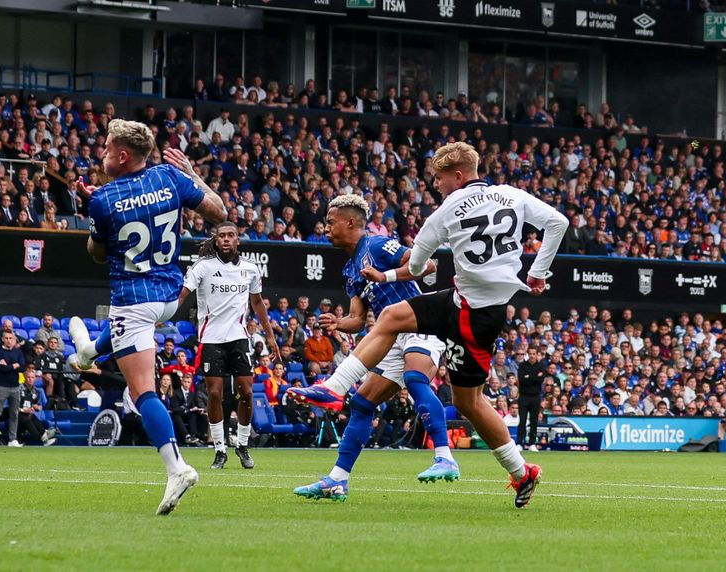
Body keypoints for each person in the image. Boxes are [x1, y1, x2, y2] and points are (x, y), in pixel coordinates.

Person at [294, 142, 568, 508]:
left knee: (467, 402)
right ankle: (334, 390)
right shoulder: (511, 195)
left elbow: (420, 265)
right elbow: (558, 222)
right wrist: (536, 273)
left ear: (457, 176)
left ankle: (519, 471)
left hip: (473, 314)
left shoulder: (445, 211)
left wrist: (388, 272)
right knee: (393, 321)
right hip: (470, 303)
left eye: (438, 179)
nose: (435, 186)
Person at [63, 119, 226, 515]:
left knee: (142, 392)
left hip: (134, 300)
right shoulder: (171, 176)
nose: (100, 154)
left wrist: (92, 214)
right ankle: (88, 351)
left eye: (105, 148)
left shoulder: (103, 198)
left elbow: (97, 253)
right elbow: (220, 213)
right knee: (118, 339)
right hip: (171, 295)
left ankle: (177, 469)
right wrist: (192, 175)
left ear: (122, 155)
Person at [290, 194, 456, 503]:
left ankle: (444, 456)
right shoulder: (351, 270)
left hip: (420, 323)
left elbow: (426, 265)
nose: (325, 228)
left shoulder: (378, 245)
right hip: (390, 336)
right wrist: (339, 324)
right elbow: (357, 318)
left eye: (330, 222)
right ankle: (337, 481)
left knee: (416, 378)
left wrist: (386, 275)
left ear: (350, 222)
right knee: (363, 404)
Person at [174, 222, 279, 469]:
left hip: (239, 338)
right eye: (221, 236)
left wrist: (270, 336)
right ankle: (220, 449)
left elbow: (258, 304)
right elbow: (182, 294)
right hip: (211, 339)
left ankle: (242, 445)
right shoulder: (203, 267)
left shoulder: (250, 269)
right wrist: (162, 316)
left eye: (231, 235)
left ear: (237, 240)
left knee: (247, 392)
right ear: (216, 240)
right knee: (214, 394)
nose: (226, 239)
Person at [0, 331, 24, 447]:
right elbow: (1, 368)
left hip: (15, 386)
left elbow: (22, 366)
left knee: (14, 414)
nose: (9, 340)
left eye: (11, 338)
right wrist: (14, 365)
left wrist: (8, 366)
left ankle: (12, 439)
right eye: (7, 338)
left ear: (14, 340)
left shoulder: (18, 352)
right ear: (3, 339)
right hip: (2, 386)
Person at [17, 371, 58, 446]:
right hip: (17, 413)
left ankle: (44, 435)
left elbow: (38, 406)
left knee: (31, 417)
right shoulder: (18, 389)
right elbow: (13, 406)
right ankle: (43, 437)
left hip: (28, 414)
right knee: (27, 418)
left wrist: (37, 407)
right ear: (25, 378)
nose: (30, 379)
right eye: (28, 377)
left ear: (35, 379)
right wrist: (24, 410)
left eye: (32, 377)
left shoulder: (36, 391)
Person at [516, 350, 545, 450]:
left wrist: (528, 377)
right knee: (522, 420)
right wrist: (535, 376)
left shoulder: (541, 366)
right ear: (528, 354)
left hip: (535, 397)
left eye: (534, 354)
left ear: (537, 354)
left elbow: (540, 380)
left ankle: (532, 443)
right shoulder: (522, 365)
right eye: (530, 354)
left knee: (534, 421)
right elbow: (522, 380)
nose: (532, 356)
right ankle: (519, 443)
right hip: (524, 396)